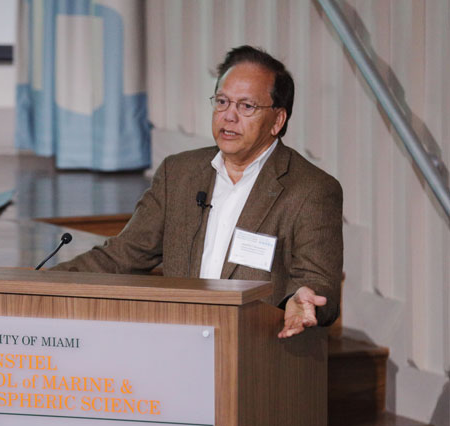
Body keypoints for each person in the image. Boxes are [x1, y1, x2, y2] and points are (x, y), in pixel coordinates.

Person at [51, 45, 343, 339]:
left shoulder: (310, 190)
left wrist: (302, 299)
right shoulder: (179, 174)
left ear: (277, 121)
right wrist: (41, 284)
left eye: (246, 106)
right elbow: (122, 256)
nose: (229, 116)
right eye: (222, 101)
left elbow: (318, 282)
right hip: (180, 346)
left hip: (256, 354)